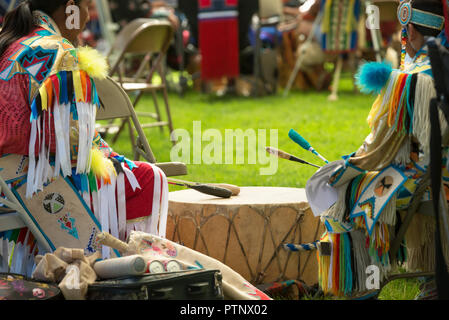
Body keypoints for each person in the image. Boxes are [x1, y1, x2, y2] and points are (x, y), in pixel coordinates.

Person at [0, 0, 169, 273]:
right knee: (149, 179)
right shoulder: (58, 51)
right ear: (69, 8)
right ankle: (121, 268)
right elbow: (72, 147)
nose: (89, 17)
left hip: (6, 178)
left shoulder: (13, 42)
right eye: (87, 6)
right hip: (35, 178)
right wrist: (111, 156)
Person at [306, 0, 449, 299]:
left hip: (426, 179)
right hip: (443, 174)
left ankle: (362, 284)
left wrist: (347, 167)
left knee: (345, 196)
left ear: (408, 29)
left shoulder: (407, 80)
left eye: (403, 30)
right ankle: (433, 278)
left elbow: (380, 148)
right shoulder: (442, 65)